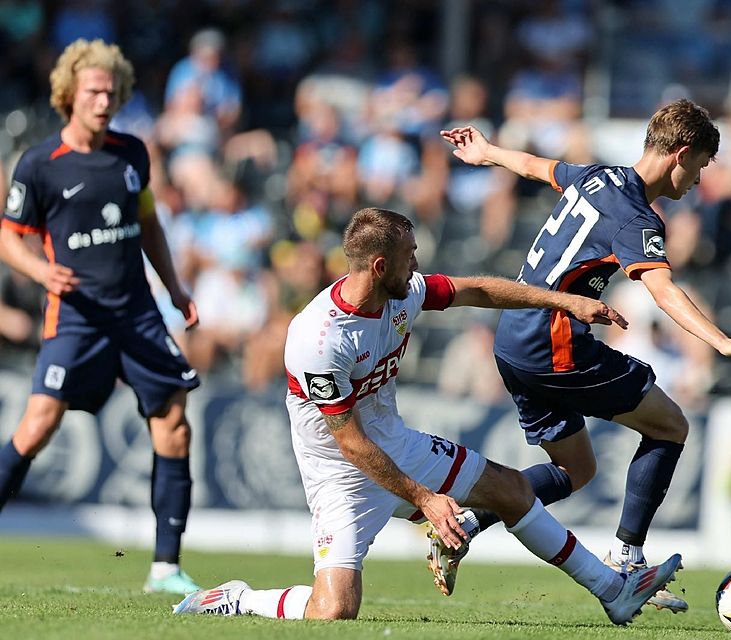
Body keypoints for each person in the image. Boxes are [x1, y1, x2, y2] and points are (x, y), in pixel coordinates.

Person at [173, 207, 681, 624]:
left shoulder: (405, 292)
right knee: (332, 612)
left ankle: (613, 590)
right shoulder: (319, 339)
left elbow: (476, 290)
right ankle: (237, 598)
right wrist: (426, 500)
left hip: (397, 444)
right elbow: (349, 442)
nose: (416, 264)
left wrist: (562, 301)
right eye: (408, 255)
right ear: (378, 266)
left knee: (511, 491)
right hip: (340, 473)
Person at [434, 99, 731, 608]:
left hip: (513, 338)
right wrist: (721, 341)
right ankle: (628, 561)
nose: (698, 181)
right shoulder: (637, 221)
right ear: (680, 154)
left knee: (576, 470)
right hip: (552, 342)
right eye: (699, 166)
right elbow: (664, 291)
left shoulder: (597, 176)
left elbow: (534, 166)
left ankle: (461, 524)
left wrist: (485, 153)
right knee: (670, 425)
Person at [0, 39, 202, 595]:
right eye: (94, 91)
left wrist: (175, 288)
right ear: (69, 94)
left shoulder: (133, 153)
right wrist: (42, 274)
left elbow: (150, 226)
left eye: (112, 92)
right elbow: (9, 238)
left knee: (174, 425)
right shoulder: (40, 164)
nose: (104, 100)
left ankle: (166, 568)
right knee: (38, 424)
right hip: (76, 317)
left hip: (136, 314)